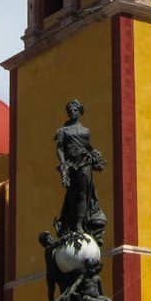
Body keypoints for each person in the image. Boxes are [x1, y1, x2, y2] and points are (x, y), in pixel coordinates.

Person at [55, 99, 107, 244]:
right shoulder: (63, 131)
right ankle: (70, 222)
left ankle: (79, 224)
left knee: (84, 193)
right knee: (72, 193)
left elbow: (88, 147)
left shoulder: (86, 131)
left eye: (75, 109)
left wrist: (96, 156)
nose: (72, 112)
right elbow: (59, 148)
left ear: (80, 111)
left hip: (85, 163)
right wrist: (63, 164)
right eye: (70, 110)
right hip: (71, 165)